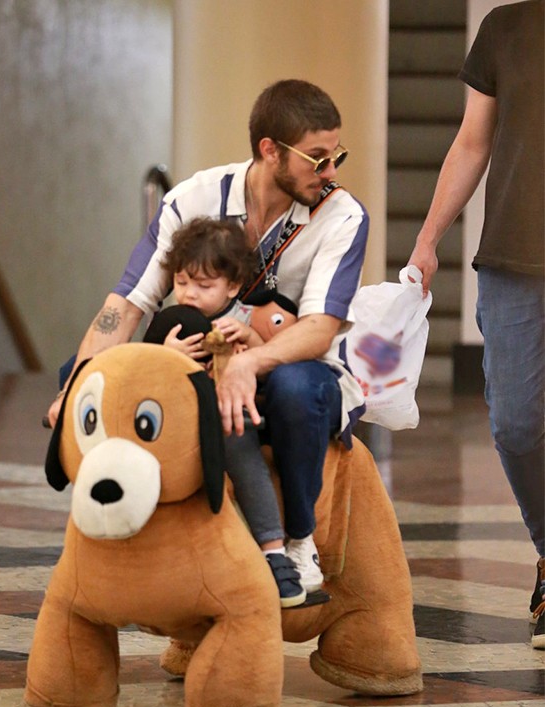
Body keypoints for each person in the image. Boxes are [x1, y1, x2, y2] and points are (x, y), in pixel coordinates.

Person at [48, 78, 369, 597]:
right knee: (86, 378)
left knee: (295, 389)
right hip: (200, 363)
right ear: (270, 151)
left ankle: (297, 541)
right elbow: (128, 304)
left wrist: (249, 362)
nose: (331, 172)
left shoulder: (342, 215)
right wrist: (76, 385)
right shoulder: (194, 197)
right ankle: (108, 536)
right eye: (317, 159)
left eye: (337, 156)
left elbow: (319, 329)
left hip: (291, 368)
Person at [406, 0, 544, 649]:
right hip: (516, 258)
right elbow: (471, 141)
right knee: (518, 422)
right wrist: (428, 238)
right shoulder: (505, 29)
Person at [143, 216, 307, 608]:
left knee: (238, 439)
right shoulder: (172, 323)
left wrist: (250, 342)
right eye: (182, 283)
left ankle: (273, 551)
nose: (189, 295)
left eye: (203, 286)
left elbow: (274, 367)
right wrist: (166, 356)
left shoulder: (247, 319)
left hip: (234, 417)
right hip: (179, 421)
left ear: (232, 285)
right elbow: (141, 368)